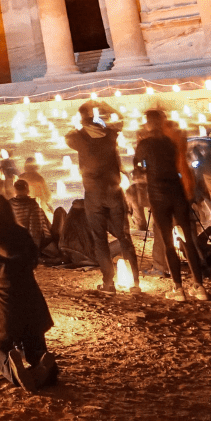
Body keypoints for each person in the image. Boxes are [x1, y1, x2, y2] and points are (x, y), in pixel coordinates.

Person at [0, 195, 57, 390]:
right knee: (35, 349)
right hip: (29, 302)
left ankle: (14, 371)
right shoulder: (22, 234)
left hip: (0, 305)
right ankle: (44, 367)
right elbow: (34, 260)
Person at [134, 110, 208, 300]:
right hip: (177, 193)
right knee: (188, 240)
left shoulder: (144, 144)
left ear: (149, 124)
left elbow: (139, 167)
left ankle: (178, 288)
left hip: (158, 196)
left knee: (168, 243)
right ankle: (199, 287)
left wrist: (144, 169)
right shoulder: (170, 142)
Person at [64, 102, 137, 293]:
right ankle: (135, 284)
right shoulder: (110, 135)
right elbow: (120, 120)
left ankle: (109, 283)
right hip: (113, 192)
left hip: (93, 194)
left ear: (82, 119)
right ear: (96, 118)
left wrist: (79, 122)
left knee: (100, 239)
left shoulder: (79, 137)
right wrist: (105, 106)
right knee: (124, 236)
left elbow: (68, 136)